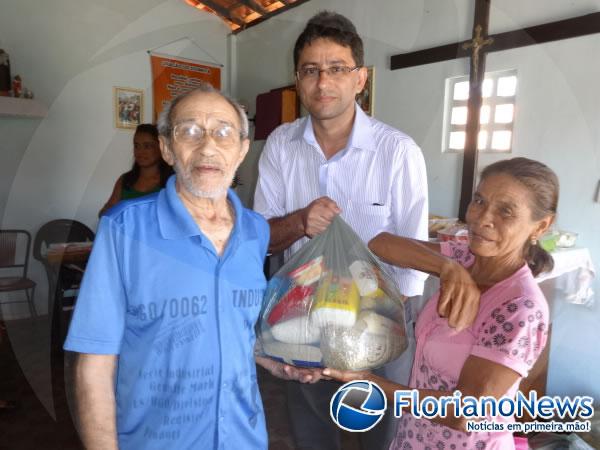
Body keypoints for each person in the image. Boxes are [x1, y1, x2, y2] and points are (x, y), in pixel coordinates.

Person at [64, 84, 315, 450]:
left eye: (224, 132)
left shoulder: (256, 231)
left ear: (243, 149)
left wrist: (271, 360)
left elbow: (231, 327)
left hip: (244, 439)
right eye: (190, 131)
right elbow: (94, 364)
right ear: (167, 148)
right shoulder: (124, 230)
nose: (208, 146)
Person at [253, 10, 448, 450]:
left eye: (337, 69)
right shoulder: (281, 146)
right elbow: (260, 238)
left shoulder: (397, 151)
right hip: (301, 317)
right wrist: (300, 221)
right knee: (311, 430)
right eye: (311, 71)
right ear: (297, 80)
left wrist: (400, 334)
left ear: (360, 78)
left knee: (381, 432)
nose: (324, 83)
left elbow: (412, 260)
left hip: (381, 321)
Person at [325, 157, 557, 450]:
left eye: (506, 211)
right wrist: (447, 268)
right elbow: (380, 244)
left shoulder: (520, 307)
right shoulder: (466, 258)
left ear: (541, 226)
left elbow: (464, 412)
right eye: (479, 201)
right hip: (415, 436)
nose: (482, 218)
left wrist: (369, 382)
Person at [98, 123, 173, 216]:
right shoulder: (125, 180)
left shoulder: (172, 181)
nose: (140, 152)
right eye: (136, 146)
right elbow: (104, 214)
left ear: (161, 147)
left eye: (147, 146)